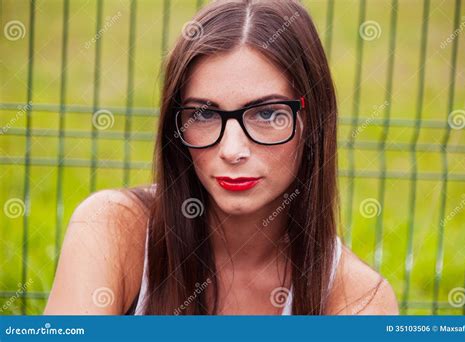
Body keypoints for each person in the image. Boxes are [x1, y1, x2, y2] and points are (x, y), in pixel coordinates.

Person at [44, 0, 399, 315]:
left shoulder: (360, 300)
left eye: (266, 114)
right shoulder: (113, 228)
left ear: (312, 122)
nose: (231, 150)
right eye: (203, 114)